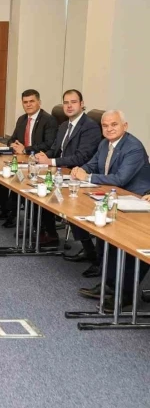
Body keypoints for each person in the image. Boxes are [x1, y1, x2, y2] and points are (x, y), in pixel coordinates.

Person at [72, 110, 150, 300]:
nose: (109, 129)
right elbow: (92, 164)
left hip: (135, 200)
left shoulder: (133, 147)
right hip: (114, 197)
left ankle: (122, 293)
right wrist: (79, 170)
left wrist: (87, 177)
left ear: (125, 126)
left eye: (114, 124)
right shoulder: (104, 144)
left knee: (121, 240)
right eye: (105, 125)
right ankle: (108, 283)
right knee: (100, 228)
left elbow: (121, 179)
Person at [32, 89, 102, 247]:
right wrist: (42, 156)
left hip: (79, 175)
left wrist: (51, 161)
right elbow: (55, 149)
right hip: (62, 172)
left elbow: (81, 157)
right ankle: (45, 231)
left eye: (73, 102)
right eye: (66, 103)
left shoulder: (89, 127)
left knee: (46, 190)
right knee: (35, 186)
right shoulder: (64, 125)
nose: (69, 106)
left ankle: (85, 247)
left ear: (82, 104)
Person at [0, 89, 58, 227]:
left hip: (39, 161)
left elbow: (48, 144)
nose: (28, 105)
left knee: (18, 179)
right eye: (25, 102)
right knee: (1, 174)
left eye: (32, 101)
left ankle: (12, 214)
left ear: (39, 102)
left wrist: (25, 149)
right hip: (22, 158)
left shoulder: (48, 120)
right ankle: (4, 209)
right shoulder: (22, 119)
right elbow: (11, 139)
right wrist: (13, 144)